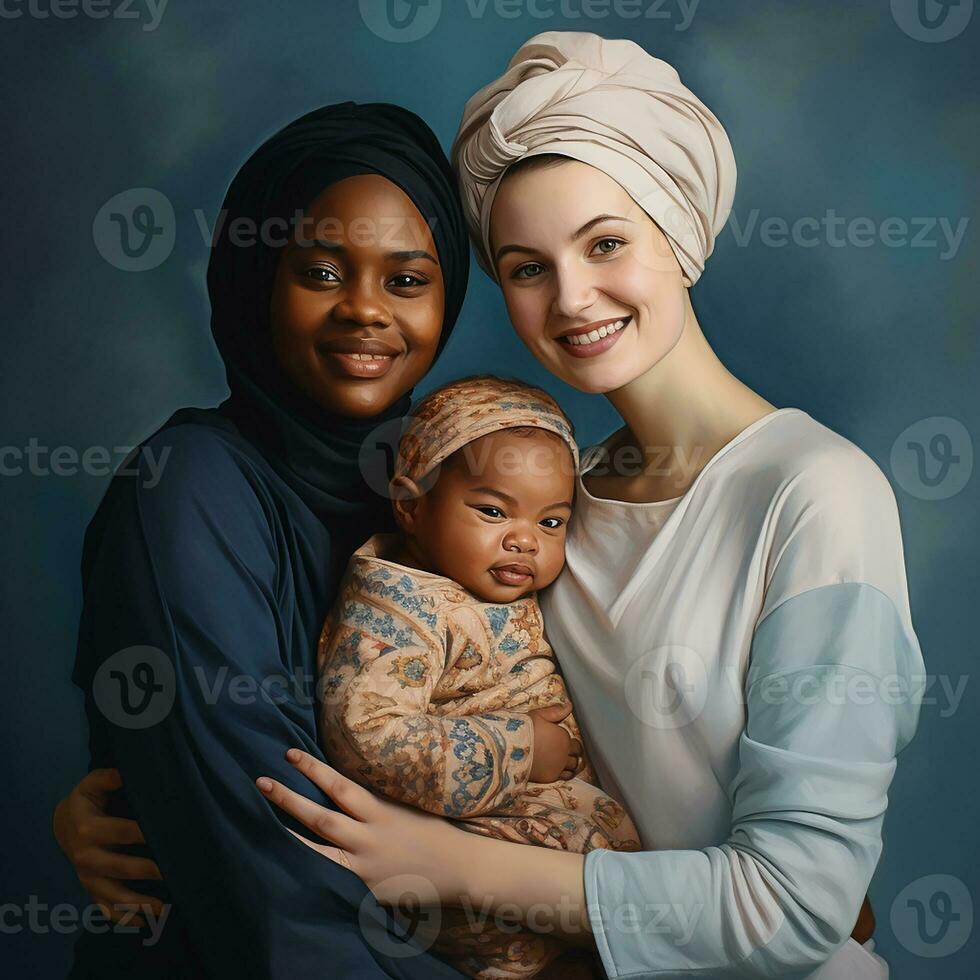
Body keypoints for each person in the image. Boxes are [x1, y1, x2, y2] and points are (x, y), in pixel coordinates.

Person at [254, 33, 923, 980]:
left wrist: (450, 867)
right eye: (527, 268)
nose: (572, 298)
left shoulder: (815, 494)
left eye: (606, 243)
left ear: (680, 235)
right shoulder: (547, 500)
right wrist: (104, 813)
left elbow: (797, 908)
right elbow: (413, 693)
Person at [54, 101, 472, 978]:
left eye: (406, 280)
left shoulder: (468, 490)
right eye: (322, 271)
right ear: (256, 281)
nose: (365, 310)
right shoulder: (188, 489)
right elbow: (280, 875)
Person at [318, 374, 640, 978]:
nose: (523, 540)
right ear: (411, 505)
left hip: (572, 857)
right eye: (492, 511)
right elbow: (367, 735)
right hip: (476, 874)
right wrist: (520, 748)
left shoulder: (487, 575)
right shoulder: (395, 610)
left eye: (551, 522)